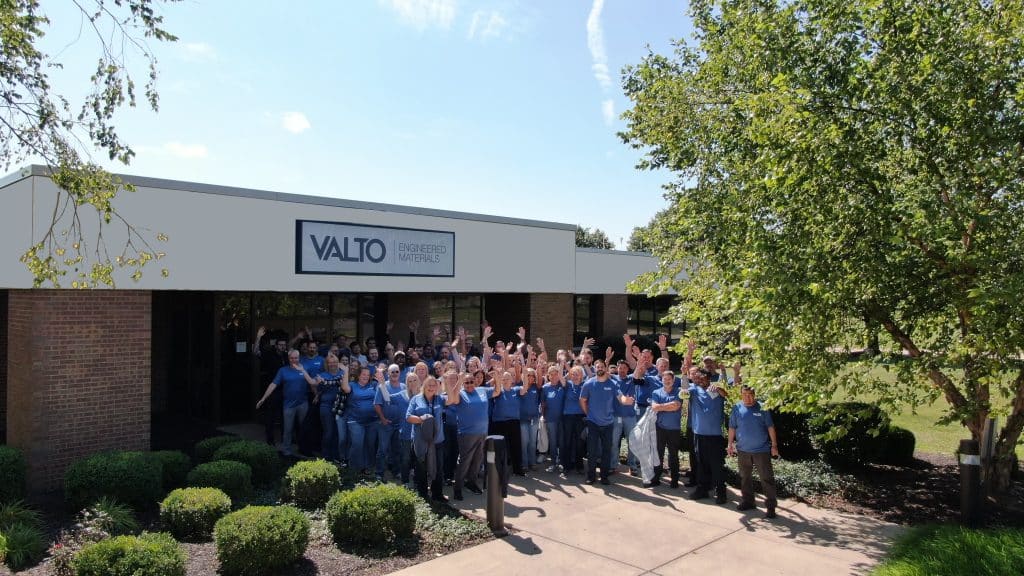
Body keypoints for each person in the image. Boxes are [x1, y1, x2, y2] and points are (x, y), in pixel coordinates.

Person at [446, 370, 501, 501]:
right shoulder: (460, 393)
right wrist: (459, 380)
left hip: (482, 432)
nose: (470, 384)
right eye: (467, 382)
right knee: (465, 461)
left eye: (471, 381)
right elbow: (453, 398)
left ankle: (471, 482)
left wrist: (497, 378)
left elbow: (497, 391)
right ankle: (458, 488)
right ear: (463, 384)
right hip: (466, 434)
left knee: (477, 460)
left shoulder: (482, 390)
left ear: (475, 381)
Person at [580, 359, 635, 485]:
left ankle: (604, 476)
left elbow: (620, 397)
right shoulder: (589, 383)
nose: (599, 368)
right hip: (593, 423)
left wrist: (626, 401)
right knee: (592, 451)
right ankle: (591, 476)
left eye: (601, 366)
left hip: (608, 423)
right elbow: (582, 400)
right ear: (595, 368)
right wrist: (588, 414)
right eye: (597, 366)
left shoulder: (613, 384)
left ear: (605, 368)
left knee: (607, 451)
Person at [728, 385, 779, 518]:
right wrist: (730, 444)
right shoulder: (737, 407)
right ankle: (748, 501)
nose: (748, 397)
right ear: (741, 395)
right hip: (743, 450)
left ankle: (771, 506)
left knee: (766, 478)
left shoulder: (762, 407)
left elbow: (770, 427)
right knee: (745, 478)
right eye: (745, 395)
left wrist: (774, 446)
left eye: (750, 394)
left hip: (761, 450)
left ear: (754, 395)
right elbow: (732, 427)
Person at [255, 350, 318, 457]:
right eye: (291, 358)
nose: (294, 360)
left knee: (304, 428)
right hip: (288, 405)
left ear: (299, 358)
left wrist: (316, 395)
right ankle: (286, 451)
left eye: (296, 358)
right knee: (288, 429)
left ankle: (304, 449)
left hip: (303, 403)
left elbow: (311, 383)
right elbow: (273, 384)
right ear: (288, 359)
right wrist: (263, 398)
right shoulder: (283, 370)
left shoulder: (305, 368)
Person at [686, 367, 731, 503]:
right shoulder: (694, 390)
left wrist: (720, 389)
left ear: (709, 378)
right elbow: (683, 390)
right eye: (698, 378)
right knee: (701, 464)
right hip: (699, 434)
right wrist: (684, 372)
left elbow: (728, 395)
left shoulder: (716, 390)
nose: (700, 380)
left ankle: (721, 492)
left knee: (717, 465)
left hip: (715, 435)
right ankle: (703, 490)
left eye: (703, 378)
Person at [407, 375, 447, 501]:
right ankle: (422, 494)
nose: (431, 387)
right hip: (421, 440)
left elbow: (454, 400)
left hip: (437, 440)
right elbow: (408, 417)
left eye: (434, 385)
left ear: (437, 387)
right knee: (421, 468)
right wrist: (422, 419)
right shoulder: (416, 399)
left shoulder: (440, 399)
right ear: (424, 386)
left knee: (438, 468)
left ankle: (437, 494)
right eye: (429, 385)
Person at [649, 370, 683, 488]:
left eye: (669, 379)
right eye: (665, 379)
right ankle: (656, 477)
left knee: (673, 455)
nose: (667, 381)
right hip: (660, 428)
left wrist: (661, 406)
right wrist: (669, 406)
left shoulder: (679, 392)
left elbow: (676, 406)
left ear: (673, 380)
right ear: (662, 380)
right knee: (658, 453)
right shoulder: (656, 392)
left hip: (674, 428)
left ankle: (674, 479)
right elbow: (654, 407)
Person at [374, 363, 408, 481]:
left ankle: (396, 471)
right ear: (388, 374)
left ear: (400, 373)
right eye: (392, 372)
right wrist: (383, 419)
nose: (394, 374)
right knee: (382, 450)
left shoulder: (404, 387)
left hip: (400, 424)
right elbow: (377, 404)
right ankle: (379, 473)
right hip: (386, 424)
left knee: (397, 450)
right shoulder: (382, 386)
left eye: (396, 371)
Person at [346, 366, 379, 474]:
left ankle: (368, 467)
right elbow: (345, 388)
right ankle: (354, 469)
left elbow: (383, 393)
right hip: (355, 420)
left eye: (368, 375)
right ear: (358, 375)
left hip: (372, 421)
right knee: (357, 444)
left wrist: (380, 377)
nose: (366, 376)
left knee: (370, 444)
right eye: (363, 374)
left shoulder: (373, 385)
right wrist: (345, 371)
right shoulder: (352, 385)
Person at [315, 354, 348, 462]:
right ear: (327, 364)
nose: (333, 364)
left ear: (338, 363)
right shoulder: (322, 375)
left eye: (335, 362)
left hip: (340, 406)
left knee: (338, 433)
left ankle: (336, 456)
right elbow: (318, 390)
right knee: (328, 432)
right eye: (330, 362)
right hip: (326, 406)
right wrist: (318, 385)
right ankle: (326, 456)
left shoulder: (343, 374)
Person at [561, 366, 587, 475]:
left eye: (577, 374)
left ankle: (579, 466)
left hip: (580, 417)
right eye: (573, 374)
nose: (575, 376)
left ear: (581, 375)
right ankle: (566, 466)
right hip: (568, 417)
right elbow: (560, 377)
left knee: (579, 442)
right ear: (570, 375)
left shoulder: (585, 385)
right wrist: (562, 363)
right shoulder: (567, 384)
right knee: (567, 442)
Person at [541, 365, 566, 472]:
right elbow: (543, 404)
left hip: (562, 418)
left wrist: (562, 363)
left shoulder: (563, 385)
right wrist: (544, 416)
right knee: (553, 442)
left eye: (556, 374)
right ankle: (553, 463)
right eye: (551, 374)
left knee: (562, 441)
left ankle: (562, 463)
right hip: (550, 418)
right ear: (548, 376)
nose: (554, 376)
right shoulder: (545, 388)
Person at [517, 367, 542, 472]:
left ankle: (532, 462)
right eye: (528, 375)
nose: (531, 377)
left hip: (534, 418)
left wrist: (539, 369)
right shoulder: (519, 387)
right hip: (523, 419)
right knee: (524, 442)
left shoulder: (536, 387)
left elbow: (540, 380)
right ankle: (524, 464)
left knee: (532, 442)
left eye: (532, 375)